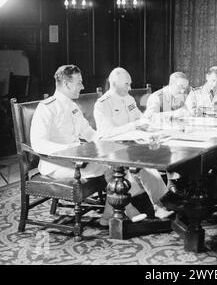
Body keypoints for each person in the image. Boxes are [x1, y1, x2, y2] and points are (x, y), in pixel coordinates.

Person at [30, 65, 146, 224]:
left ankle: (107, 216)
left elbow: (88, 132)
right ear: (67, 84)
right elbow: (38, 143)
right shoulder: (47, 108)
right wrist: (70, 150)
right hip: (55, 163)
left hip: (77, 161)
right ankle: (127, 208)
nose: (83, 86)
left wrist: (108, 144)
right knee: (112, 170)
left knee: (115, 165)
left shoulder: (72, 106)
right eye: (79, 82)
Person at [94, 67, 174, 220]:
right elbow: (106, 132)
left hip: (131, 145)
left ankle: (109, 213)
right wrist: (134, 125)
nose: (130, 88)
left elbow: (140, 118)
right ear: (114, 83)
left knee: (154, 159)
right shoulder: (103, 103)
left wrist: (151, 125)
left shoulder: (128, 99)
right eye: (126, 84)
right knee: (143, 167)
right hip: (112, 149)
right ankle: (159, 205)